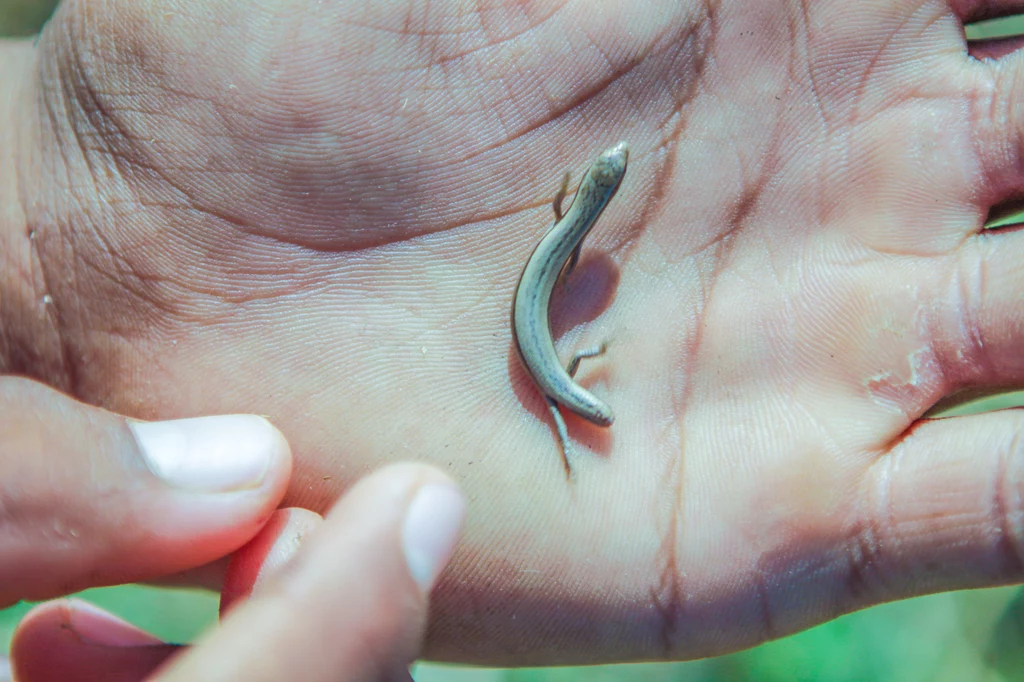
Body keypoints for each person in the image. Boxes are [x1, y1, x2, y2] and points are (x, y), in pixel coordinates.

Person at [3, 0, 1024, 678]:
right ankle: (573, 399)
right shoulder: (576, 227)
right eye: (606, 174)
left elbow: (564, 226)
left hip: (549, 347)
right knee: (565, 378)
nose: (605, 173)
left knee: (567, 377)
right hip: (545, 351)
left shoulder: (572, 222)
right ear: (593, 196)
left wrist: (50, 178)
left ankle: (574, 398)